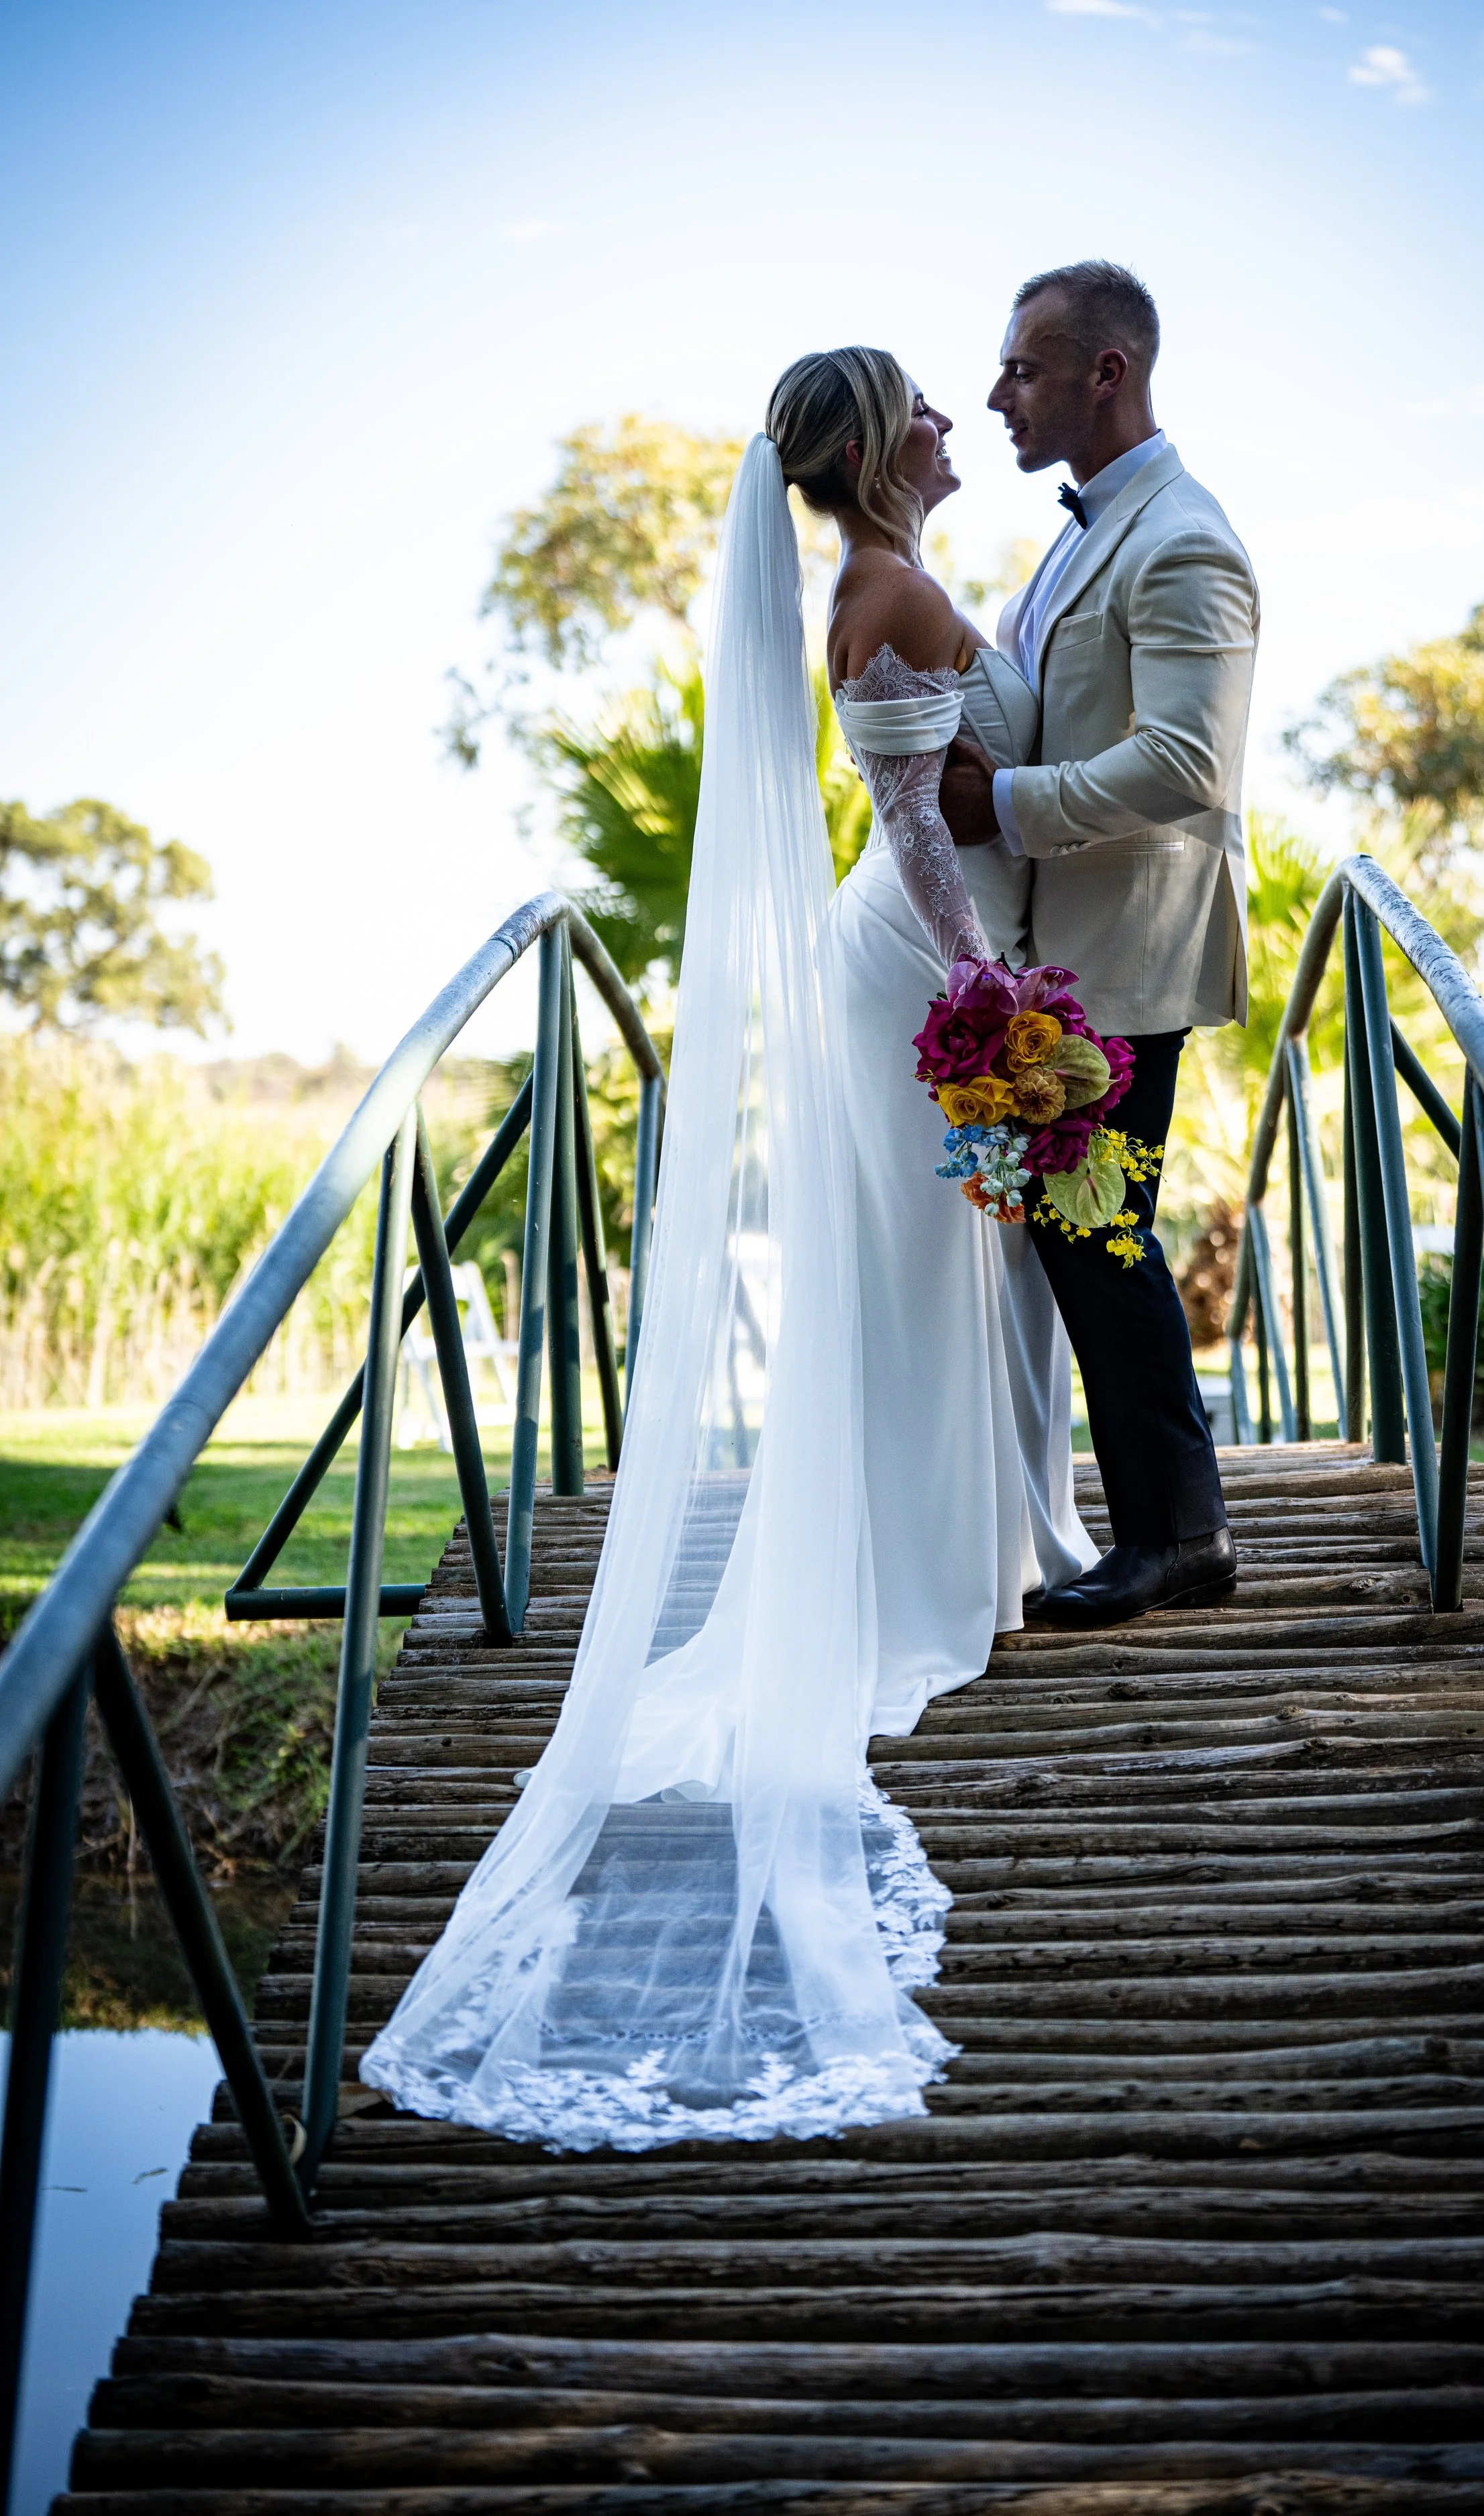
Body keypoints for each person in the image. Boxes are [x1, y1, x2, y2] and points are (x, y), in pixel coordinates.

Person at [361, 351, 1094, 2158]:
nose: (945, 422)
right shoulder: (887, 584)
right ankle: (934, 1576)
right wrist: (993, 994)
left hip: (908, 958)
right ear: (867, 447)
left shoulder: (879, 582)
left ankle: (961, 1553)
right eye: (924, 404)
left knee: (941, 1271)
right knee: (924, 1274)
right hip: (921, 962)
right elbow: (924, 830)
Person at [940, 260, 1259, 1628]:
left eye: (1022, 367)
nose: (997, 393)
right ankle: (1142, 1525)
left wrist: (998, 804)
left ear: (1103, 373)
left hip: (1121, 953)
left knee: (1100, 1234)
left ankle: (1177, 1538)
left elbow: (1186, 761)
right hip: (1047, 956)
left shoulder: (1185, 538)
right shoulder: (1079, 534)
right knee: (1076, 1232)